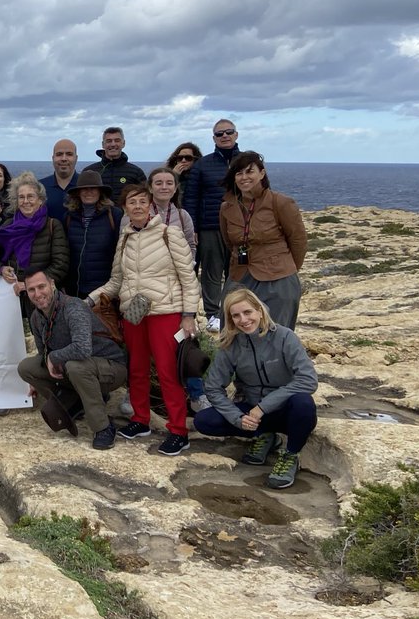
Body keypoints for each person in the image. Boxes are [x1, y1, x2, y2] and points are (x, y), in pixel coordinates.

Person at [88, 183, 199, 457]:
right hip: (134, 314)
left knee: (168, 372)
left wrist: (189, 315)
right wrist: (89, 300)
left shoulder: (169, 234)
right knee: (136, 369)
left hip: (166, 313)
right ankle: (140, 420)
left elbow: (188, 278)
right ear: (125, 208)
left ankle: (178, 432)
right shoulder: (124, 239)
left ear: (150, 205)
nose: (137, 207)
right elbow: (116, 281)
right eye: (131, 202)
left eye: (142, 201)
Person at [193, 288, 318, 489]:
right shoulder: (230, 345)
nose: (243, 320)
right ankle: (265, 436)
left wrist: (263, 407)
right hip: (251, 413)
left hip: (284, 411)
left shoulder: (285, 337)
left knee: (303, 403)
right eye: (236, 316)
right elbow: (213, 387)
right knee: (204, 420)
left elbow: (308, 380)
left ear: (260, 311)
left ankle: (291, 454)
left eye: (247, 312)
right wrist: (237, 417)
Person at [19, 269, 128, 450]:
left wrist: (54, 357)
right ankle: (74, 402)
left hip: (110, 367)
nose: (38, 294)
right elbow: (43, 354)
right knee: (26, 367)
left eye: (41, 286)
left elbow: (83, 348)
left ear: (52, 284)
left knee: (76, 366)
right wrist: (37, 377)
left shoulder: (73, 307)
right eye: (31, 290)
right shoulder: (36, 317)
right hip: (74, 368)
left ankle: (103, 427)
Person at [219, 151, 307, 329]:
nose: (244, 177)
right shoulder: (226, 207)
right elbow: (229, 242)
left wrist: (286, 269)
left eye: (249, 171)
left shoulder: (280, 202)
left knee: (275, 333)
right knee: (231, 331)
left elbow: (298, 241)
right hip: (240, 275)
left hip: (278, 278)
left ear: (262, 173)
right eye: (239, 173)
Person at [183, 120, 241, 331]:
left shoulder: (246, 163)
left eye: (228, 132)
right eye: (219, 134)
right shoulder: (203, 165)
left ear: (236, 134)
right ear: (213, 138)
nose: (224, 136)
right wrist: (193, 229)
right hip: (210, 227)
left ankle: (233, 312)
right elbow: (191, 198)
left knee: (237, 272)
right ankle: (212, 314)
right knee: (211, 273)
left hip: (240, 228)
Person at [0, 172, 69, 310]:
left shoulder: (53, 225)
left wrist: (31, 286)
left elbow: (60, 265)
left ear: (40, 200)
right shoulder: (9, 225)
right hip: (14, 299)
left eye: (30, 196)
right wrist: (0, 268)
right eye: (21, 197)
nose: (26, 201)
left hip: (45, 301)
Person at [60, 170, 123, 299]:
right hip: (74, 290)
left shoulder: (115, 215)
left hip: (105, 291)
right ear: (78, 192)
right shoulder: (68, 217)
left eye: (93, 188)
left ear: (100, 192)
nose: (89, 192)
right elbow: (63, 253)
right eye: (84, 189)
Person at [83, 127, 146, 205]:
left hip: (126, 216)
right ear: (103, 144)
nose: (113, 144)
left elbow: (145, 198)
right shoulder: (90, 171)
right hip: (98, 216)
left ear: (123, 143)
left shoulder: (136, 172)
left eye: (117, 140)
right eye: (109, 141)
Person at [145, 167, 197, 258]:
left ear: (175, 188)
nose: (164, 187)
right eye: (158, 183)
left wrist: (189, 265)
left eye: (169, 183)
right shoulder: (138, 213)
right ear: (150, 188)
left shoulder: (183, 215)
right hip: (147, 270)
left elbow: (190, 245)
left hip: (175, 269)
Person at [41, 138, 79, 221]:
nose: (64, 158)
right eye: (59, 154)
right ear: (53, 158)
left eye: (69, 154)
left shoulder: (85, 186)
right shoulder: (40, 187)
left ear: (76, 158)